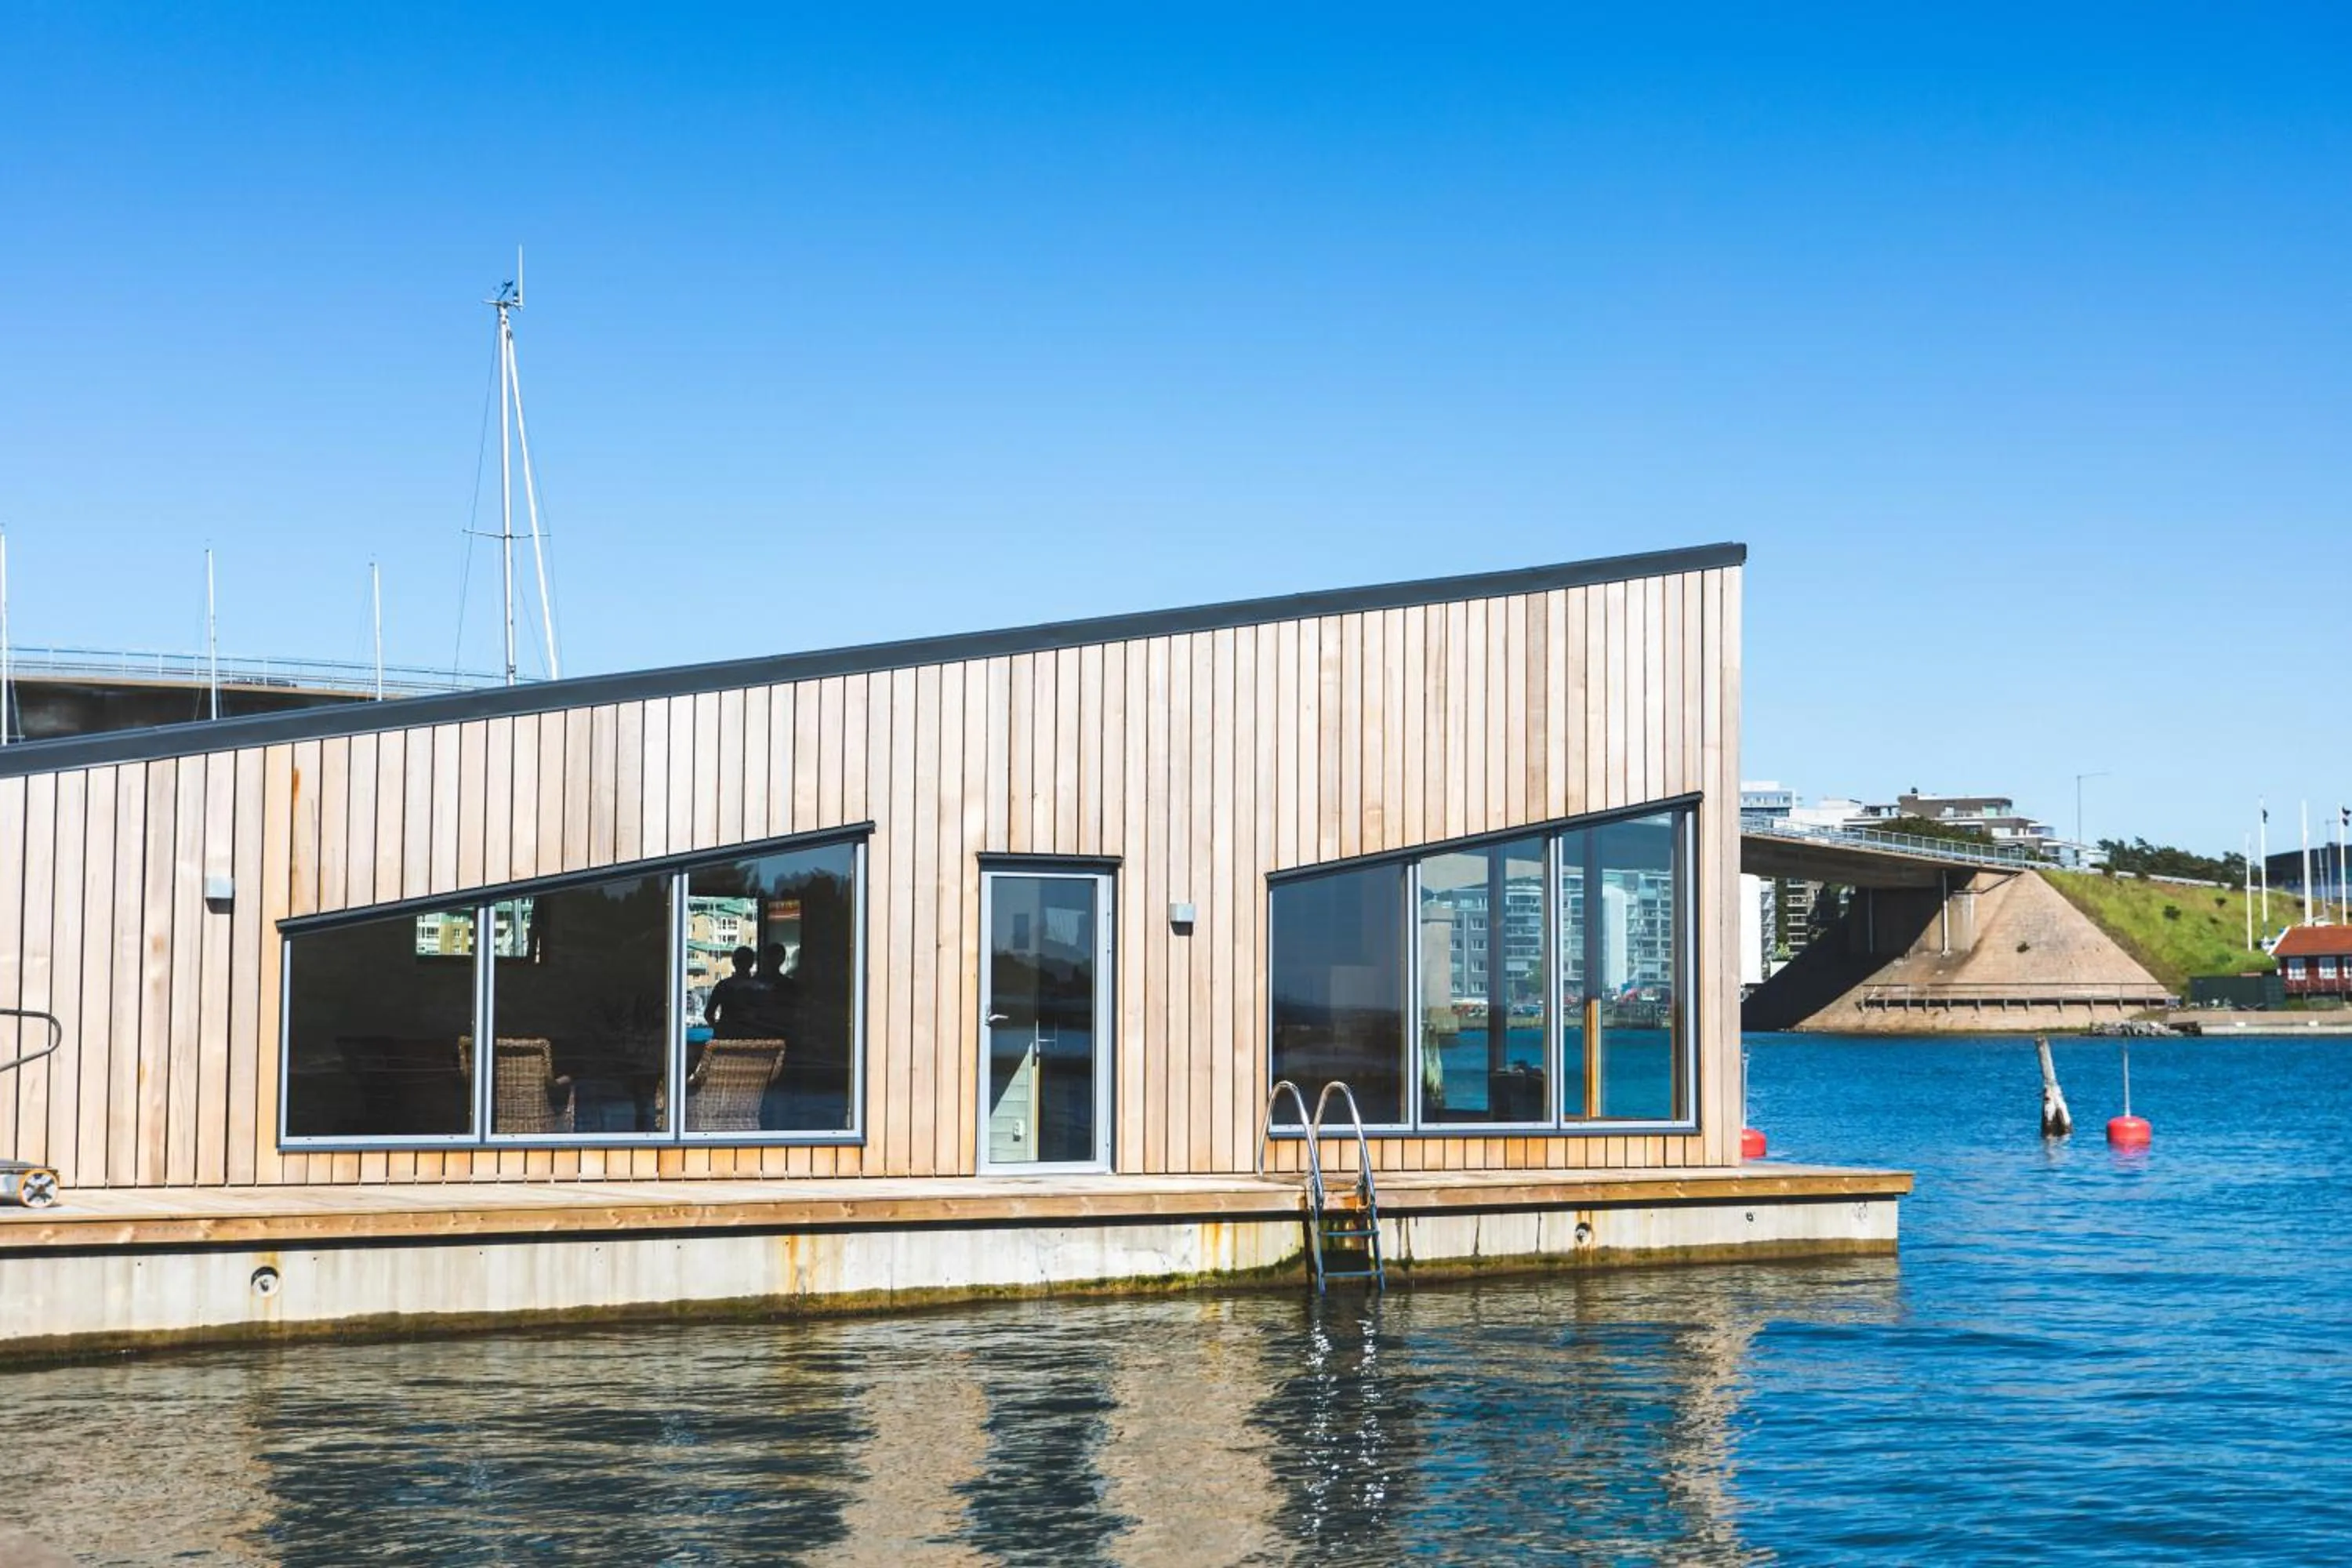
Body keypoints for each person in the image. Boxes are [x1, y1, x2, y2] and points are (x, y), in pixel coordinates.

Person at [705, 946, 761, 1038]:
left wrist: (719, 1029)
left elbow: (708, 1014)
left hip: (728, 1036)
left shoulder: (723, 985)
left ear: (733, 963)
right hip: (751, 1037)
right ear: (751, 963)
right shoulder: (759, 987)